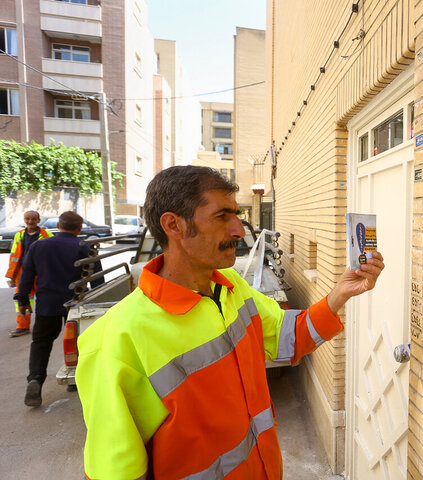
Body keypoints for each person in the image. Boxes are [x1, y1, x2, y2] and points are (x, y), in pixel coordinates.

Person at [76, 166, 385, 479]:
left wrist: (339, 294)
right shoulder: (118, 338)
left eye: (237, 215)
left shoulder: (231, 286)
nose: (239, 229)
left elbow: (285, 337)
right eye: (222, 216)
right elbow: (114, 472)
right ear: (174, 225)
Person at [16, 211, 103, 407]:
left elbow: (26, 277)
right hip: (78, 302)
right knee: (80, 341)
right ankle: (76, 379)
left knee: (41, 342)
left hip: (47, 303)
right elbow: (98, 278)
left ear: (59, 225)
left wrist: (22, 301)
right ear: (79, 228)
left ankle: (35, 380)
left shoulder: (38, 245)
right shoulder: (84, 247)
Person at [5, 210, 53, 337]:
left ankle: (46, 327)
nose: (30, 221)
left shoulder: (47, 235)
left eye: (33, 219)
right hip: (24, 272)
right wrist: (12, 274)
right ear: (24, 219)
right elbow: (14, 256)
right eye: (27, 219)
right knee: (22, 300)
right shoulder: (19, 235)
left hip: (42, 272)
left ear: (38, 220)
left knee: (46, 299)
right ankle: (22, 326)